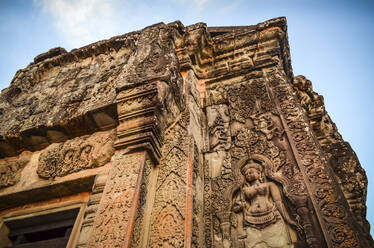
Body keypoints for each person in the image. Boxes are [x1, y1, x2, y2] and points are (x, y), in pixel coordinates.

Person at [232, 157, 300, 248]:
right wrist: (241, 206)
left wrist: (288, 220)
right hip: (251, 219)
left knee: (281, 244)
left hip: (272, 216)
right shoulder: (244, 190)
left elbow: (279, 202)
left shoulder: (269, 185)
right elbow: (235, 208)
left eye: (250, 172)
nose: (248, 175)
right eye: (246, 174)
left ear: (259, 173)